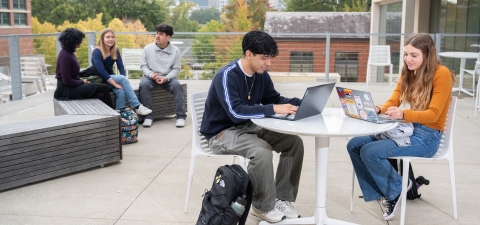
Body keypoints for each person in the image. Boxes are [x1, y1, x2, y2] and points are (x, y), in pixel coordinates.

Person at [346, 33, 454, 221]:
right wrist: (378, 108)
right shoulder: (408, 72)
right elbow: (393, 100)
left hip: (428, 137)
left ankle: (396, 190)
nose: (407, 59)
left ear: (427, 56)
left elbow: (433, 114)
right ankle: (381, 190)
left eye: (414, 55)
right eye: (405, 54)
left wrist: (403, 114)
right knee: (354, 144)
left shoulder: (441, 74)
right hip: (410, 128)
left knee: (370, 152)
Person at [200, 30, 305, 223]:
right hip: (222, 133)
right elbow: (235, 112)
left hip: (250, 125)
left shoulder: (261, 74)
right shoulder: (226, 76)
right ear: (249, 54)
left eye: (270, 58)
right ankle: (262, 206)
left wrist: (301, 103)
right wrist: (274, 108)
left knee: (294, 142)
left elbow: (275, 99)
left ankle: (282, 198)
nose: (268, 64)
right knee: (261, 150)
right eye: (264, 58)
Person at [91, 28, 152, 115]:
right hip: (100, 80)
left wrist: (123, 79)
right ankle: (137, 106)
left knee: (121, 93)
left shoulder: (115, 50)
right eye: (108, 37)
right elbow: (101, 71)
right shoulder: (97, 52)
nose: (111, 39)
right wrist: (115, 84)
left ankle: (120, 118)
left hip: (109, 79)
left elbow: (120, 66)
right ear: (102, 39)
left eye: (112, 37)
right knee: (122, 80)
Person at [138, 23, 185, 128]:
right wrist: (151, 74)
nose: (157, 36)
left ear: (168, 37)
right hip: (151, 77)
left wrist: (166, 78)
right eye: (157, 33)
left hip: (168, 78)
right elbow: (143, 66)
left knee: (177, 86)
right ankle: (148, 117)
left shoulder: (175, 50)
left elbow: (176, 69)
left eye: (161, 34)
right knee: (143, 84)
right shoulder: (147, 48)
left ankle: (181, 117)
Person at [54, 28, 113, 108]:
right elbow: (67, 80)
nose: (81, 41)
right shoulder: (65, 56)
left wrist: (82, 82)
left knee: (100, 95)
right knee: (104, 87)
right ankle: (114, 113)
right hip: (66, 90)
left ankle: (108, 115)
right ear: (72, 41)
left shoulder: (70, 52)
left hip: (72, 86)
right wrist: (82, 82)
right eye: (79, 40)